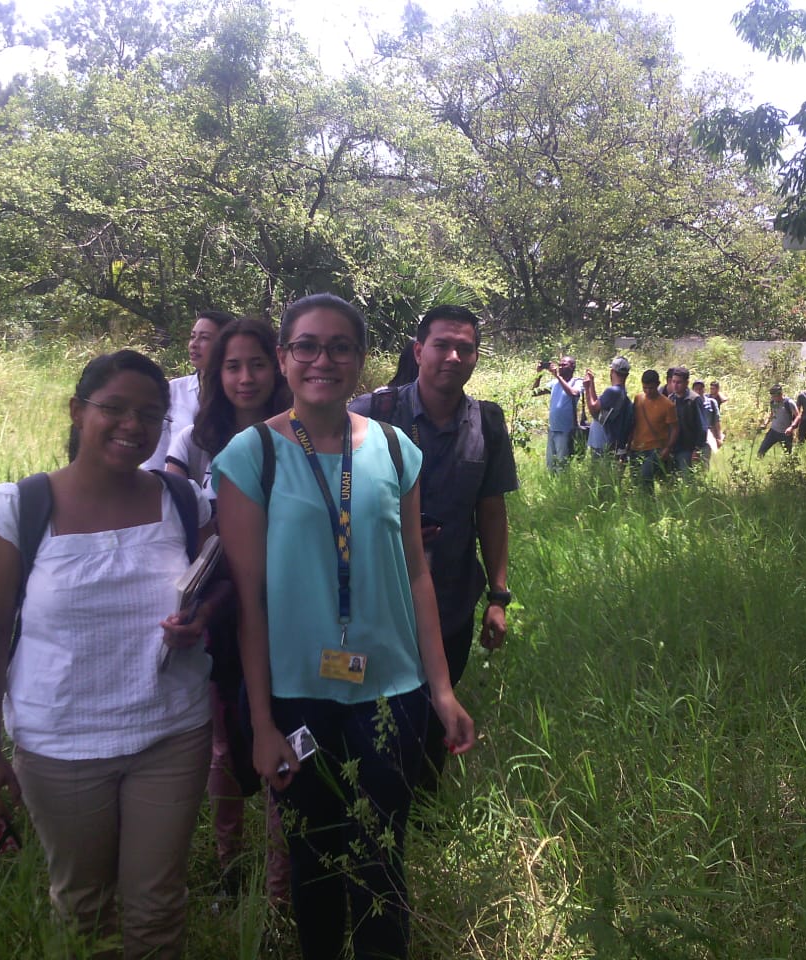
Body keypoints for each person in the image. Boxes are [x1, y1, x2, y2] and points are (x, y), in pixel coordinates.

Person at [212, 293, 475, 960]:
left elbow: (417, 573)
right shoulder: (253, 456)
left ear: (360, 360)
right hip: (297, 695)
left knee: (383, 856)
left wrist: (442, 690)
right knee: (314, 859)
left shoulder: (394, 448)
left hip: (392, 691)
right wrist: (263, 723)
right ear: (284, 358)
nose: (322, 359)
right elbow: (250, 600)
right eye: (306, 345)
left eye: (339, 347)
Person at [0, 350, 217, 960]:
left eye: (151, 415)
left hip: (171, 732)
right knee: (83, 907)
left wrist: (202, 617)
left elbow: (221, 587)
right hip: (60, 744)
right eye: (114, 408)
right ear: (77, 411)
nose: (132, 425)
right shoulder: (19, 508)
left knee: (158, 905)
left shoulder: (183, 501)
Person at [349, 304, 517, 792]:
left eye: (465, 347)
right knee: (373, 711)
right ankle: (370, 803)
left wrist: (499, 597)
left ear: (476, 357)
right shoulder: (372, 413)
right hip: (374, 601)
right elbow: (327, 504)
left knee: (434, 711)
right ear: (419, 350)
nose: (453, 355)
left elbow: (491, 510)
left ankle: (420, 814)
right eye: (442, 344)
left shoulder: (486, 422)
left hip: (451, 599)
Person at [164, 316, 291, 897]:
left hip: (289, 611)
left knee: (284, 735)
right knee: (224, 744)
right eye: (232, 366)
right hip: (218, 611)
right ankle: (228, 865)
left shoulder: (299, 435)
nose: (246, 377)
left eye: (257, 364)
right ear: (216, 373)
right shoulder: (196, 440)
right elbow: (177, 514)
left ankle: (280, 881)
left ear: (278, 366)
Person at [142, 309, 236, 470]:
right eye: (193, 337)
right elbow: (156, 453)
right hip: (172, 487)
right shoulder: (174, 390)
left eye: (204, 338)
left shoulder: (238, 394)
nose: (194, 344)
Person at [531, 355, 583, 471]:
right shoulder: (554, 383)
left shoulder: (577, 382)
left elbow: (573, 393)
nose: (560, 367)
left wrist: (558, 376)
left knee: (562, 466)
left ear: (572, 367)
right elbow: (534, 392)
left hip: (565, 430)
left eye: (564, 365)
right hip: (552, 429)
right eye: (559, 365)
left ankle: (563, 486)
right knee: (550, 465)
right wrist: (539, 374)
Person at [630, 369, 677, 487]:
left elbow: (675, 428)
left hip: (655, 449)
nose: (648, 391)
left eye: (651, 388)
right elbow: (633, 422)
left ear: (657, 384)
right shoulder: (638, 399)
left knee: (645, 477)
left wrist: (668, 448)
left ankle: (649, 501)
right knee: (635, 480)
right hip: (636, 447)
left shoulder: (667, 405)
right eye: (645, 388)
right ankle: (643, 503)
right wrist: (628, 443)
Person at [583, 356, 632, 458]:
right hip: (611, 443)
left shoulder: (612, 391)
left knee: (598, 472)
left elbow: (594, 410)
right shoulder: (622, 392)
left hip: (603, 443)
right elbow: (598, 405)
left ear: (612, 372)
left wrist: (587, 388)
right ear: (626, 375)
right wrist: (592, 383)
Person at [661, 365, 706, 476]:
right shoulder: (671, 398)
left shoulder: (693, 400)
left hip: (687, 448)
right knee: (671, 480)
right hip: (672, 447)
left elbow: (702, 427)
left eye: (679, 382)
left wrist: (697, 449)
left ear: (686, 383)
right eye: (673, 382)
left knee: (686, 481)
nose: (675, 385)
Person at [757, 384, 799, 457]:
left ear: (780, 394)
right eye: (772, 396)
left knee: (788, 456)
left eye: (774, 396)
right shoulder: (773, 402)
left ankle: (789, 467)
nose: (773, 398)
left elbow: (798, 416)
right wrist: (765, 424)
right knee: (761, 452)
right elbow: (772, 414)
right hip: (773, 432)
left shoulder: (789, 403)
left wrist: (791, 428)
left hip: (785, 434)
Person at [692, 379, 722, 461]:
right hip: (693, 436)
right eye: (696, 389)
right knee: (693, 461)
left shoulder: (711, 402)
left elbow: (717, 420)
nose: (698, 391)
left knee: (705, 460)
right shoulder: (690, 403)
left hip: (708, 435)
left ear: (704, 389)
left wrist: (719, 437)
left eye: (700, 388)